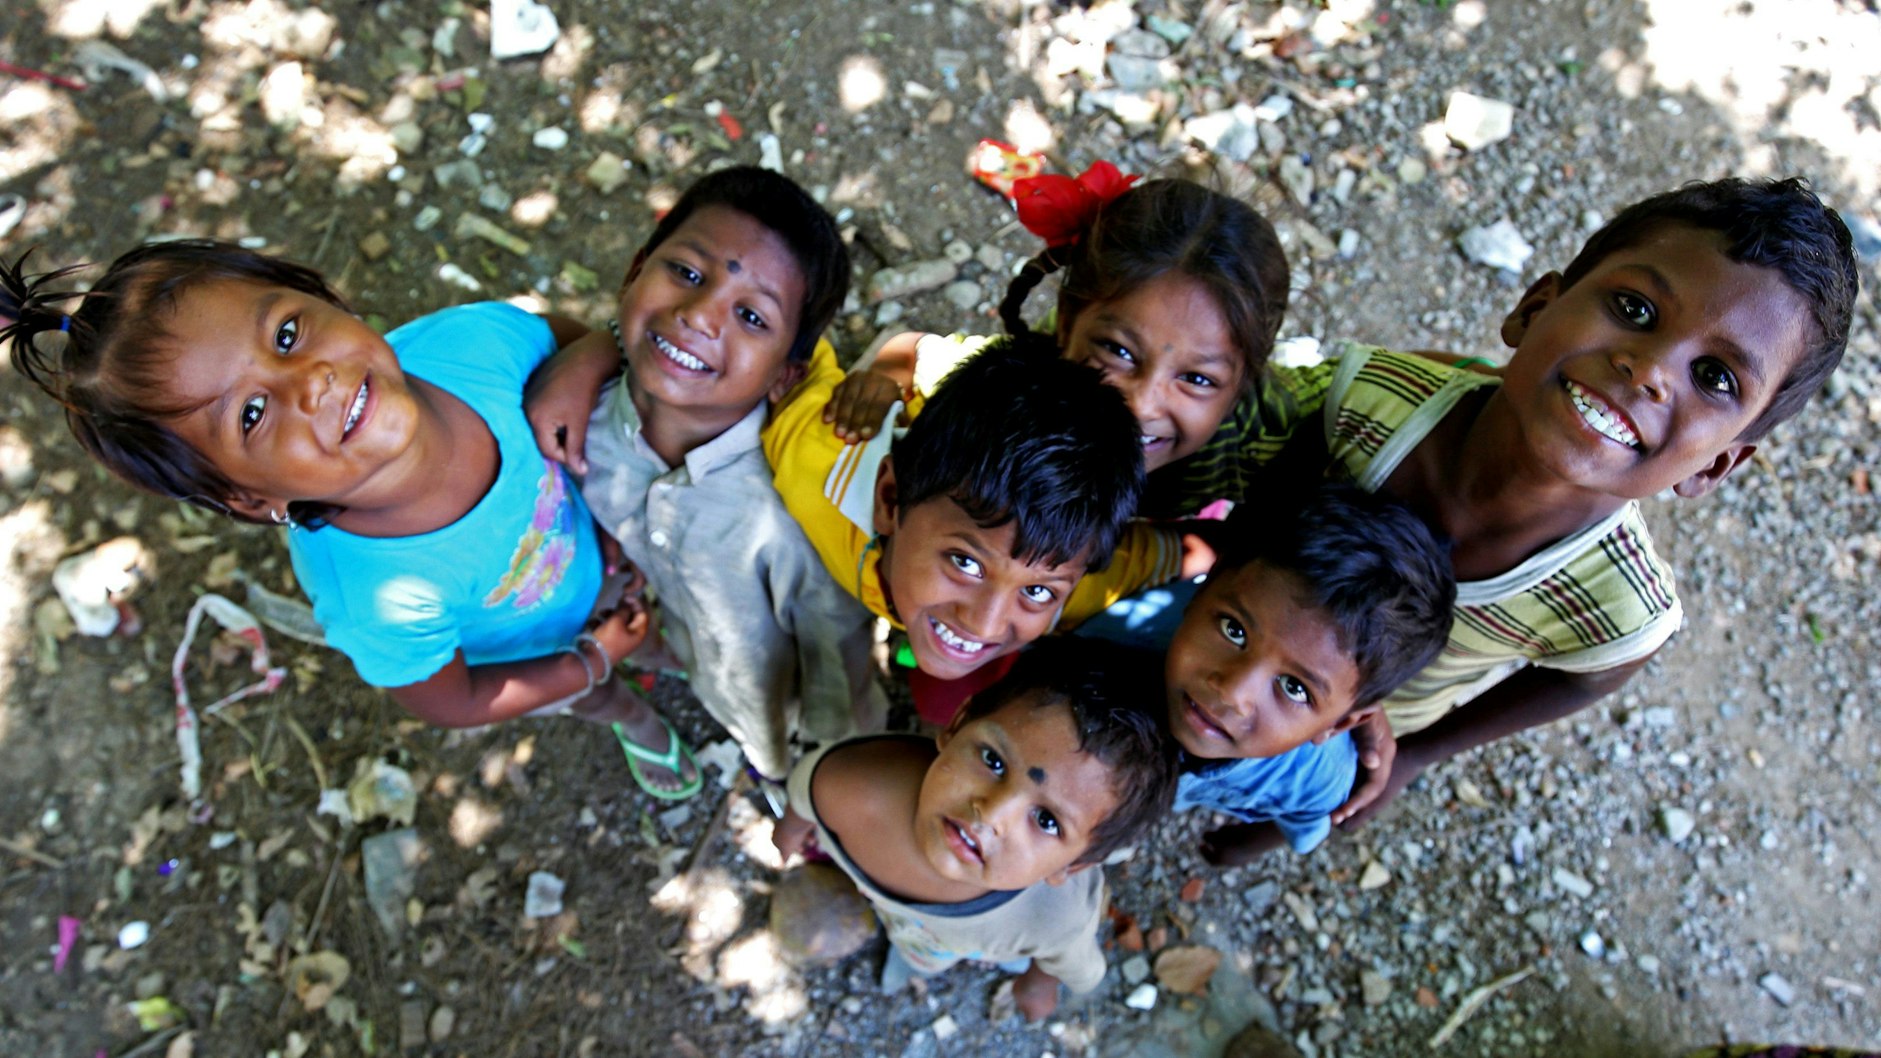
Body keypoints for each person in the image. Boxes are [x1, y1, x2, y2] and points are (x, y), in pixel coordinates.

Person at [1, 241, 688, 790]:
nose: (310, 383)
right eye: (251, 414)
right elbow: (455, 703)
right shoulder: (373, 599)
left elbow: (580, 347)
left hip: (606, 560)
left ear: (321, 294)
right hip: (538, 654)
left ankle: (672, 658)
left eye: (289, 333)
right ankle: (635, 720)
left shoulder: (477, 347)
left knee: (658, 633)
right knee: (602, 693)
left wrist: (587, 365)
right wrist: (589, 663)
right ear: (249, 498)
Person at [1314, 177, 1861, 827]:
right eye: (1634, 309)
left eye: (1713, 377)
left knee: (1299, 809)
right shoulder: (1366, 400)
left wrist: (1415, 755)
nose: (1649, 368)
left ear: (1713, 466)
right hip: (1223, 640)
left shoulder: (1619, 605)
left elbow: (1585, 677)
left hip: (1351, 740)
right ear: (1534, 307)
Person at [522, 166, 885, 801]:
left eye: (751, 316)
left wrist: (824, 778)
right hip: (687, 644)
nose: (698, 316)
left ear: (786, 375)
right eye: (688, 274)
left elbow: (838, 665)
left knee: (784, 754)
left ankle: (777, 775)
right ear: (637, 267)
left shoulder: (794, 517)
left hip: (783, 710)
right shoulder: (585, 419)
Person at [762, 328, 1208, 724]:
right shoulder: (815, 467)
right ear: (890, 499)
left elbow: (1176, 553)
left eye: (1036, 591)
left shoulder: (1078, 581)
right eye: (965, 562)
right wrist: (884, 374)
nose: (987, 623)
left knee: (948, 708)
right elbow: (797, 339)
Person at [824, 169, 1323, 519]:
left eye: (1196, 379)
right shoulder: (1026, 387)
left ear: (1240, 389)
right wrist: (880, 384)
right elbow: (910, 355)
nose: (1140, 404)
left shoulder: (1265, 440)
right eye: (1119, 352)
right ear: (1065, 325)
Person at [772, 636, 1178, 1021]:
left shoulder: (1054, 917)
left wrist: (1038, 983)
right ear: (958, 723)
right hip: (920, 928)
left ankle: (921, 961)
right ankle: (914, 955)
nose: (990, 815)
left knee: (934, 954)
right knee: (918, 947)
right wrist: (792, 825)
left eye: (1047, 821)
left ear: (1073, 867)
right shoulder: (853, 785)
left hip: (967, 940)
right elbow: (807, 786)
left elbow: (1074, 960)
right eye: (994, 760)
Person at [1160, 483, 1454, 864]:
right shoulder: (1104, 643)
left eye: (1295, 688)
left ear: (1341, 723)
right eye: (1235, 630)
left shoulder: (1317, 779)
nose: (1232, 692)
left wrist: (1254, 841)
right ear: (1204, 590)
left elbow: (1305, 819)